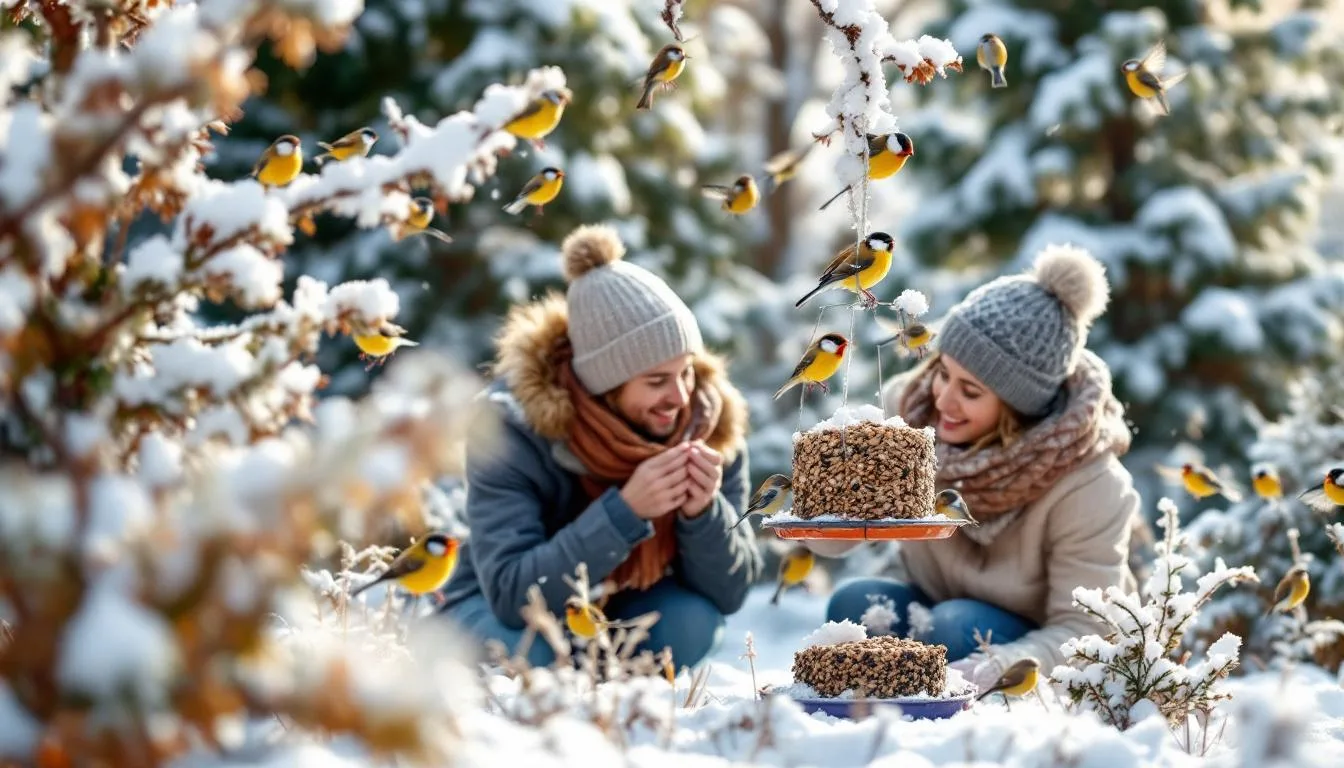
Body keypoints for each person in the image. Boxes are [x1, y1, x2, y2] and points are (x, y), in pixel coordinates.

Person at [808, 244, 1143, 687]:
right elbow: (827, 542)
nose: (943, 400)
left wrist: (1002, 666)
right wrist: (838, 490)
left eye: (970, 392)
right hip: (932, 603)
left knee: (954, 625)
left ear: (1018, 407)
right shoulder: (909, 416)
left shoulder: (1090, 484)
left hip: (1029, 637)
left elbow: (1088, 630)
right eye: (944, 373)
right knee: (854, 605)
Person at [441, 224, 762, 668]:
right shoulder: (511, 430)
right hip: (496, 608)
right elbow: (513, 594)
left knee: (691, 623)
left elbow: (729, 593)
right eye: (656, 381)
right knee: (532, 650)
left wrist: (703, 513)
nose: (680, 396)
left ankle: (612, 685)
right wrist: (624, 513)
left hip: (616, 609)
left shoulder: (710, 427)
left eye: (686, 371)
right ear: (604, 384)